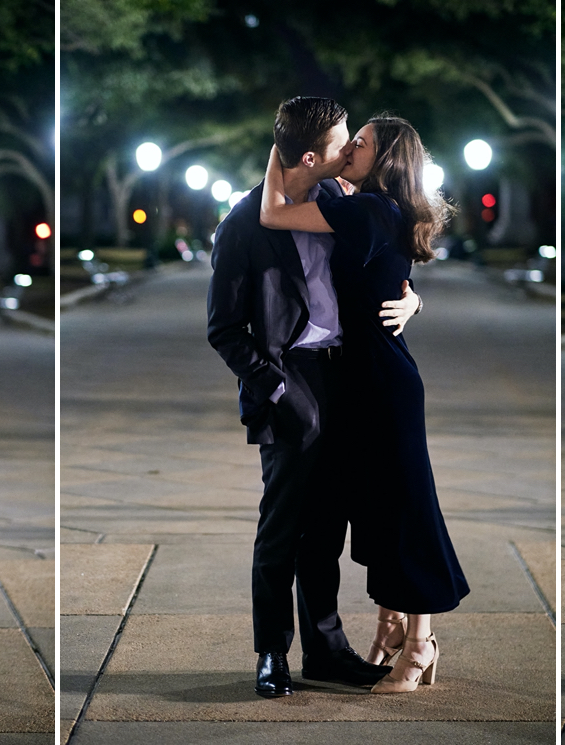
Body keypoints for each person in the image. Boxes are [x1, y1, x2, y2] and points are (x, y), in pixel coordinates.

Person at [206, 97, 423, 698]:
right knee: (283, 527)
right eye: (342, 142)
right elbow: (223, 329)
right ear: (310, 155)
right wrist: (277, 388)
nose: (352, 149)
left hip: (347, 376)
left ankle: (327, 652)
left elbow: (389, 261)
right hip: (288, 378)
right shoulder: (245, 223)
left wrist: (412, 299)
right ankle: (272, 652)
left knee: (328, 526)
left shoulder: (339, 202)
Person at [260, 113, 470, 694]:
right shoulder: (367, 206)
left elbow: (273, 213)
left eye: (362, 143)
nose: (350, 148)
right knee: (376, 512)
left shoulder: (370, 209)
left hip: (381, 382)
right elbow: (390, 281)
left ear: (384, 160)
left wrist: (276, 148)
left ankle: (420, 643)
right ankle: (391, 629)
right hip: (358, 381)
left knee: (405, 509)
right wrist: (414, 302)